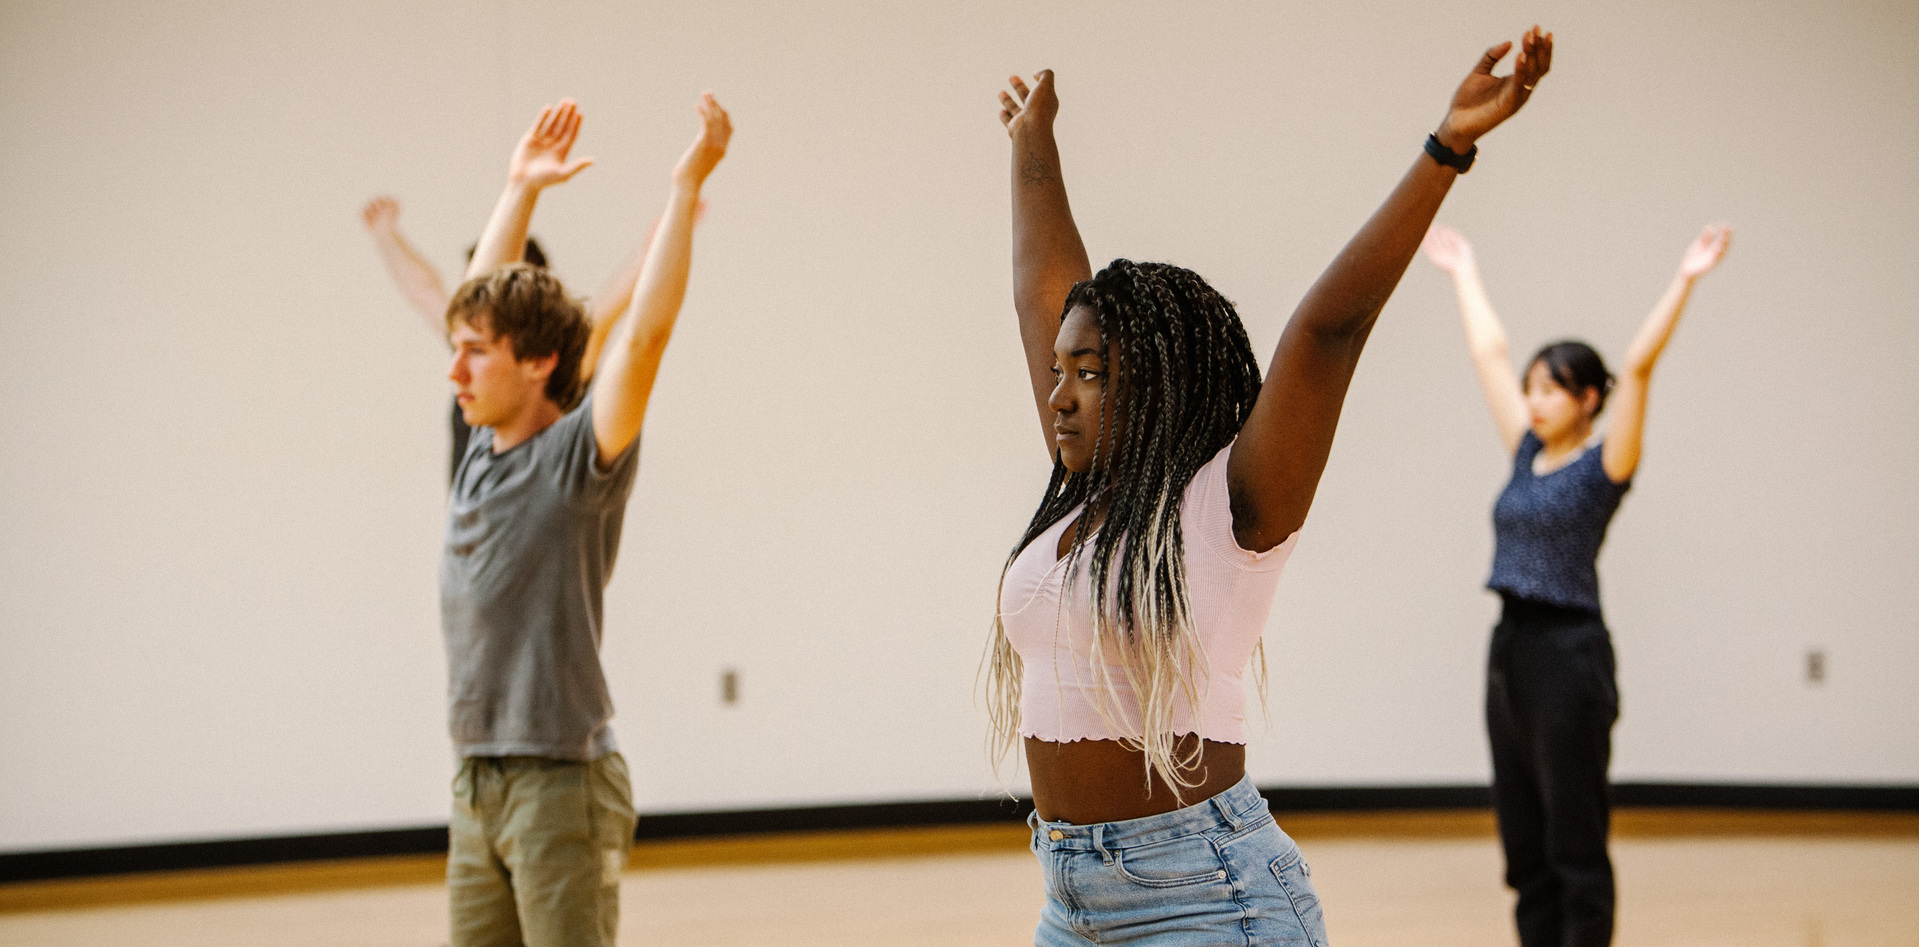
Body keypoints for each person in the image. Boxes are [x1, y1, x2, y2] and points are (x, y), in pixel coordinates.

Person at [989, 27, 1553, 945]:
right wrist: (1032, 150)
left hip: (1208, 896)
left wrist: (1445, 147)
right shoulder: (1082, 493)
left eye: (1088, 371)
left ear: (1159, 381)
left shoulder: (1230, 506)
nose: (1056, 396)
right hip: (1070, 901)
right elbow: (1039, 291)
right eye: (1058, 371)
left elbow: (1327, 331)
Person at [438, 94, 731, 947]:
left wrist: (684, 190)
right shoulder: (478, 448)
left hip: (560, 783)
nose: (454, 367)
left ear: (537, 364)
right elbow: (475, 299)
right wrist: (518, 188)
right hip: (474, 779)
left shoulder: (576, 462)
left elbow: (643, 339)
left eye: (476, 350)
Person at [1420, 220, 1730, 947]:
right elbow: (1486, 354)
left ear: (1588, 398)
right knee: (1522, 839)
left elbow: (1639, 364)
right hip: (1510, 651)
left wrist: (1684, 276)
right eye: (1530, 388)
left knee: (1573, 839)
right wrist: (1463, 269)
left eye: (1551, 389)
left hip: (1569, 655)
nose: (1533, 400)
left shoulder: (1603, 468)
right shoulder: (1525, 454)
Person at [360, 194, 657, 482]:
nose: (456, 371)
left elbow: (605, 318)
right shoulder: (472, 355)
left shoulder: (551, 365)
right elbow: (424, 291)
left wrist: (656, 251)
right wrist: (385, 233)